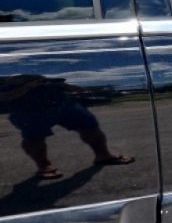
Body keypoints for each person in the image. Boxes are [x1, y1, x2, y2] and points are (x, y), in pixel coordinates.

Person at [0, 75, 134, 180]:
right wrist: (29, 86)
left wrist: (66, 87)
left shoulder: (45, 80)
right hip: (29, 110)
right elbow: (4, 97)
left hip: (63, 104)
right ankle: (44, 166)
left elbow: (72, 89)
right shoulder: (7, 82)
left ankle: (103, 155)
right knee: (34, 137)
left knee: (90, 127)